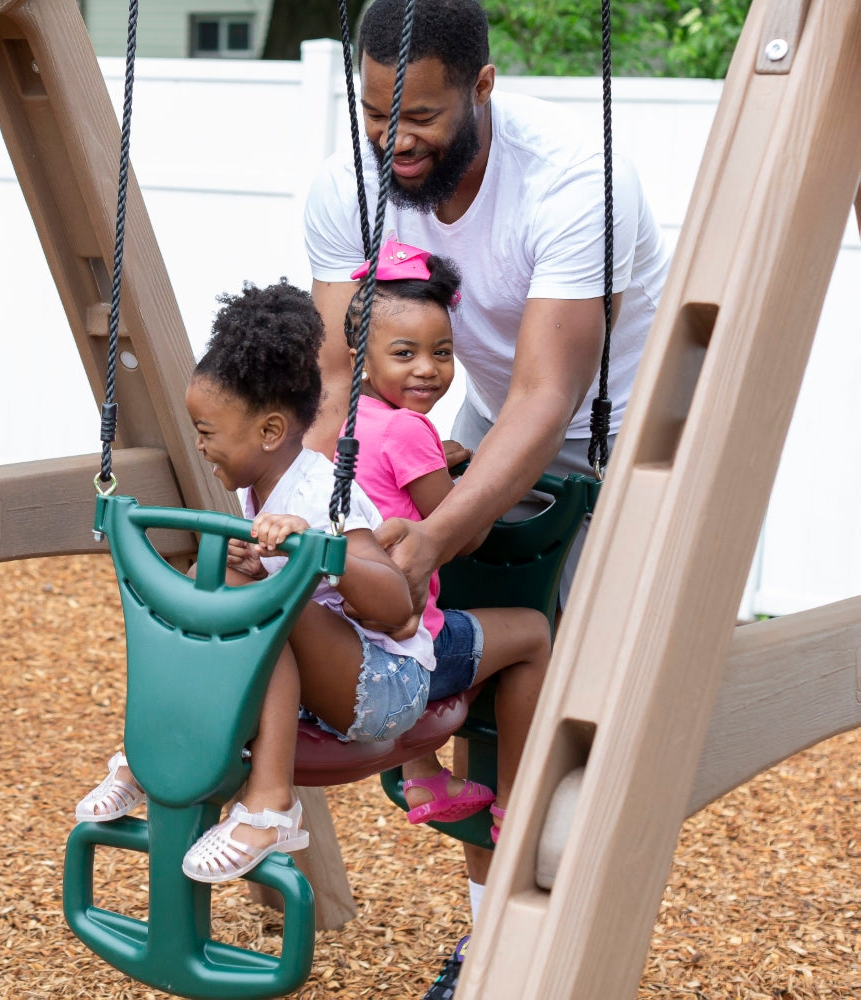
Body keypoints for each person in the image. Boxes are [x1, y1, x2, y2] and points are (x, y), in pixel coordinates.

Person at [303, 0, 670, 993]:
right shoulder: (353, 179)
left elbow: (552, 396)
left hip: (637, 429)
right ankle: (489, 943)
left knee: (592, 686)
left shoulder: (576, 178)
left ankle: (567, 925)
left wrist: (425, 543)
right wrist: (313, 513)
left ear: (483, 87)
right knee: (473, 669)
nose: (395, 139)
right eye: (377, 112)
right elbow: (342, 380)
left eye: (417, 116)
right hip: (489, 422)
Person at [76, 280, 435, 886]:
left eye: (208, 431)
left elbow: (396, 603)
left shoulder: (318, 493)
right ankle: (151, 753)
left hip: (385, 686)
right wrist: (250, 555)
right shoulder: (259, 487)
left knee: (251, 601)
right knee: (209, 578)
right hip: (330, 674)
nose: (199, 444)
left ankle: (272, 806)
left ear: (269, 433)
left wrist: (313, 551)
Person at [342, 239, 549, 840]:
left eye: (442, 352)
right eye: (404, 353)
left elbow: (392, 482)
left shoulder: (344, 423)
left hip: (348, 635)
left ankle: (423, 773)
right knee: (532, 634)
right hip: (404, 647)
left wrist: (440, 458)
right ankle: (516, 803)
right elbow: (462, 527)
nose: (427, 369)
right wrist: (475, 477)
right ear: (361, 355)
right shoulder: (410, 431)